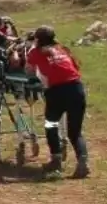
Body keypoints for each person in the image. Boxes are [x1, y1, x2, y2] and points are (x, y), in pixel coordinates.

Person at [25, 25, 90, 180]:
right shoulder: (63, 48)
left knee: (51, 125)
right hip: (76, 88)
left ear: (38, 39)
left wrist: (33, 46)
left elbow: (29, 65)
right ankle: (83, 161)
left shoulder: (36, 51)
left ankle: (56, 159)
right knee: (75, 132)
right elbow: (75, 67)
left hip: (57, 91)